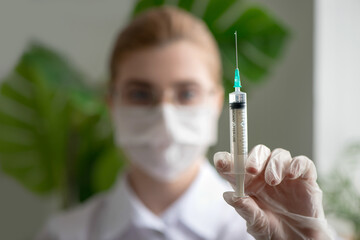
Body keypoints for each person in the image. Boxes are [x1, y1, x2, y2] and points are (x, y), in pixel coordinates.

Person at [37, 6, 334, 240]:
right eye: (141, 93)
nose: (165, 114)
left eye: (187, 93)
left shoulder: (258, 229)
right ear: (111, 103)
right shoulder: (65, 234)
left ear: (218, 102)